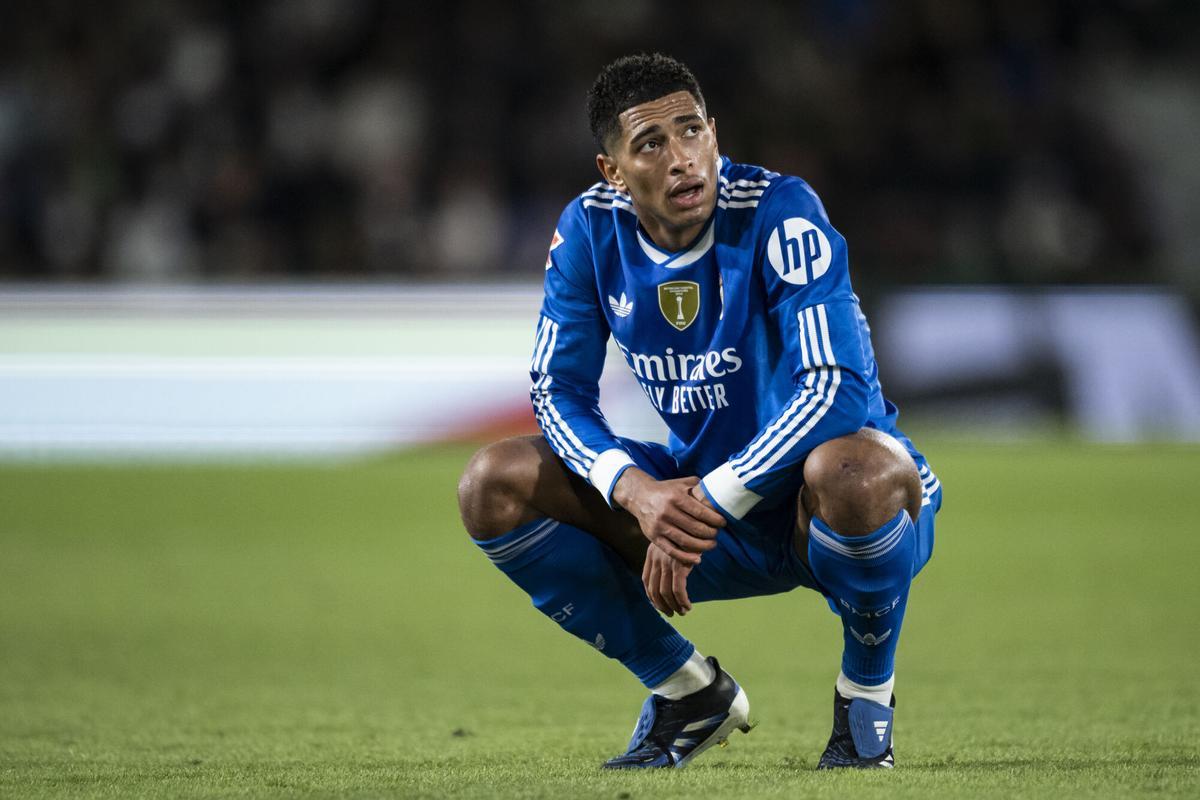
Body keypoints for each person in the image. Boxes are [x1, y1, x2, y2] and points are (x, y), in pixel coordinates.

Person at [457, 53, 942, 770]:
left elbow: (835, 389)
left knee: (855, 470)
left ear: (715, 134)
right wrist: (638, 492)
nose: (682, 159)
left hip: (825, 506)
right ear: (612, 171)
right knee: (493, 482)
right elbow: (558, 393)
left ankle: (865, 699)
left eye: (692, 132)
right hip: (700, 512)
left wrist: (706, 500)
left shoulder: (781, 212)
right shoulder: (590, 231)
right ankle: (687, 692)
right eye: (652, 144)